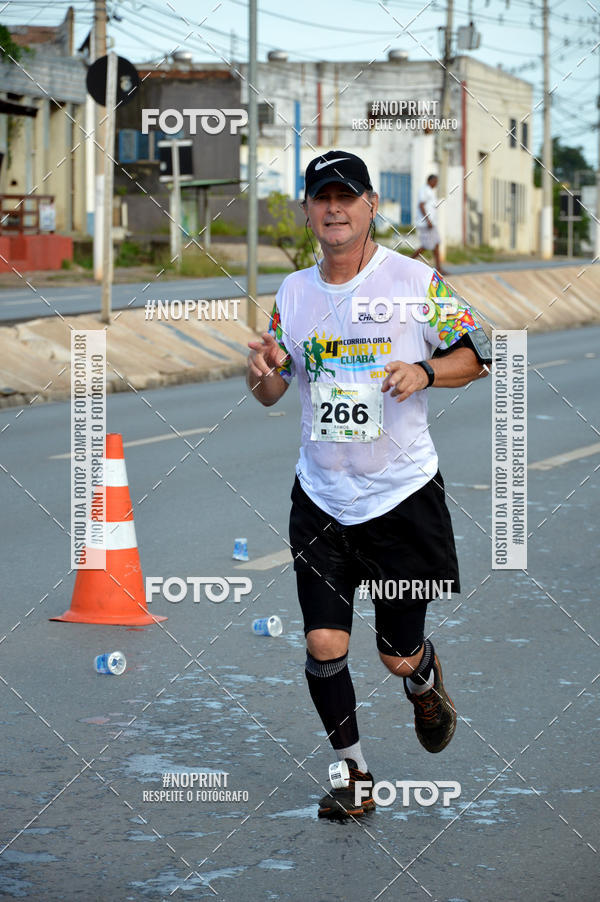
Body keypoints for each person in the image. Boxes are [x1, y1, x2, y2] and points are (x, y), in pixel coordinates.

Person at [246, 150, 490, 820]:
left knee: (394, 654)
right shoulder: (293, 293)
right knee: (324, 644)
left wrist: (426, 371)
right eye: (322, 198)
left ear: (371, 205)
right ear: (307, 210)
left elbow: (477, 353)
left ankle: (423, 676)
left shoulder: (416, 281)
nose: (334, 209)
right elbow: (271, 389)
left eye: (346, 197)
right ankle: (355, 778)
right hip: (321, 496)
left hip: (402, 497)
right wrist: (264, 369)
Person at [412, 173, 445, 274]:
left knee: (436, 243)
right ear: (429, 181)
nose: (436, 183)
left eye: (436, 182)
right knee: (426, 245)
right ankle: (409, 260)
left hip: (431, 224)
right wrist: (428, 220)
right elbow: (421, 205)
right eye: (434, 181)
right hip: (425, 224)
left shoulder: (431, 191)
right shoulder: (424, 190)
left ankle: (439, 268)